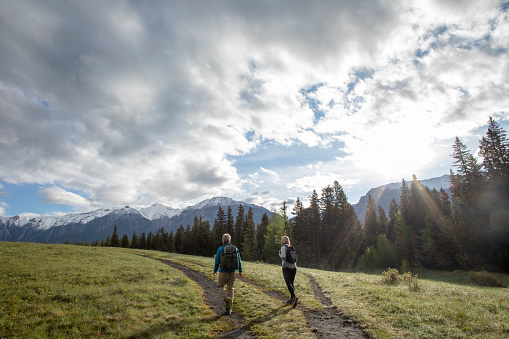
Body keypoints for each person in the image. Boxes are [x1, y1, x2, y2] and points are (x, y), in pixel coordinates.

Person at [213, 233, 243, 315]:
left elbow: (217, 262)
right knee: (231, 289)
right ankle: (229, 310)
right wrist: (240, 271)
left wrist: (215, 270)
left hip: (223, 271)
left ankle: (226, 299)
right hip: (232, 272)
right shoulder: (235, 248)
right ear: (230, 241)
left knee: (220, 286)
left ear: (223, 241)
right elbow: (239, 261)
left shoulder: (220, 249)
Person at [279, 235, 298, 308]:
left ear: (285, 241)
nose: (280, 241)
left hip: (286, 267)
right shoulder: (291, 247)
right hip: (294, 267)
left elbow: (283, 257)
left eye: (281, 240)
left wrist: (279, 253)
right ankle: (292, 299)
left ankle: (294, 297)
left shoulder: (283, 247)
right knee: (291, 282)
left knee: (288, 283)